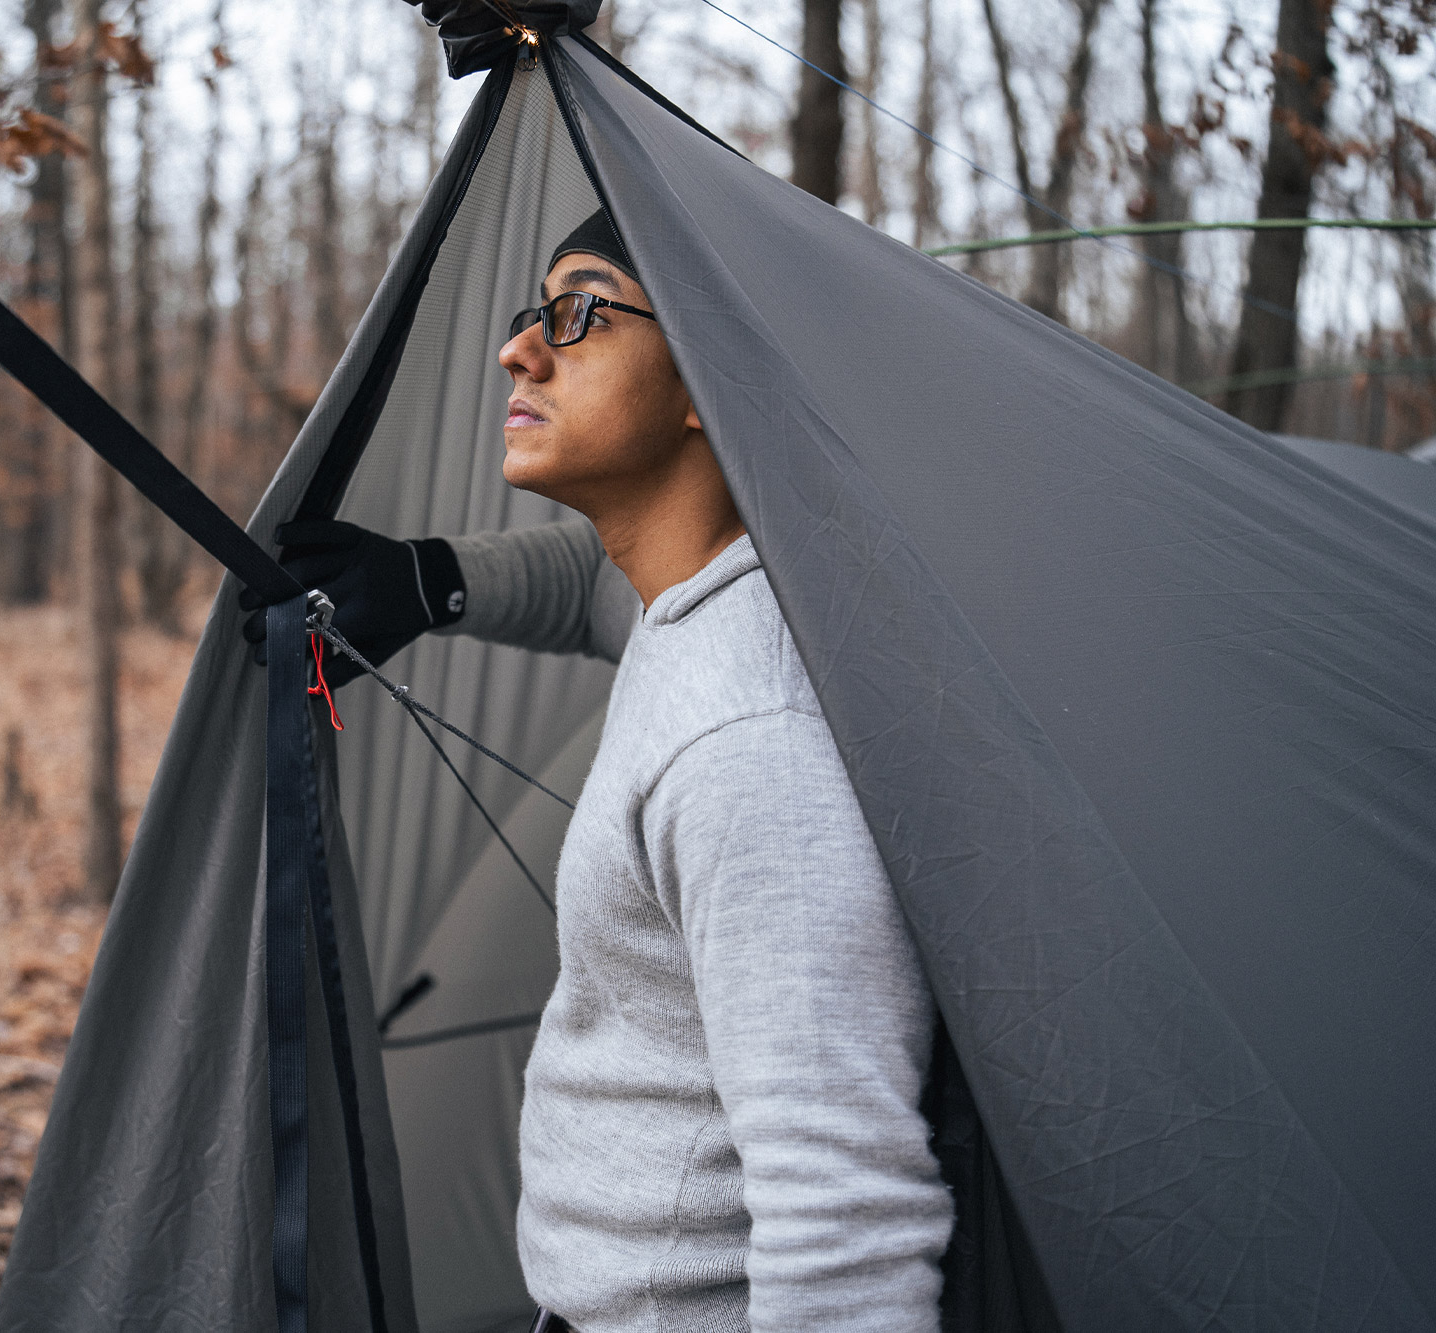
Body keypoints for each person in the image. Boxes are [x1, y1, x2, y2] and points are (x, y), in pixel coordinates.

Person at [247, 212, 953, 1331]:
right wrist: (428, 581)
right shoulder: (686, 601)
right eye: (534, 311)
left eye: (577, 311)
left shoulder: (752, 738)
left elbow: (846, 1218)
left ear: (704, 379)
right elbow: (584, 586)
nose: (518, 348)